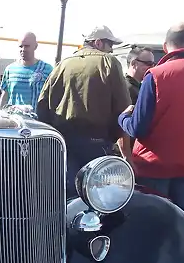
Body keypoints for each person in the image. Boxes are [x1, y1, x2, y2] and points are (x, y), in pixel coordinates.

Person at [117, 22, 184, 217]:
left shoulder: (156, 75)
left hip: (153, 167)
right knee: (180, 225)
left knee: (152, 225)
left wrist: (123, 117)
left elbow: (138, 128)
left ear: (166, 46)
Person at [36, 25, 130, 195]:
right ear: (99, 43)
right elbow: (123, 109)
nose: (111, 50)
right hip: (97, 144)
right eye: (110, 46)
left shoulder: (63, 64)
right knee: (95, 198)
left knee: (67, 196)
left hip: (63, 143)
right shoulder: (109, 63)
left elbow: (42, 106)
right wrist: (116, 140)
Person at [0, 31, 53, 108]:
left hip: (36, 119)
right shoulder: (10, 70)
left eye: (27, 46)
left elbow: (53, 98)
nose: (23, 49)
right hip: (14, 118)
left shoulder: (46, 69)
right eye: (21, 46)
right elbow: (5, 96)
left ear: (35, 46)